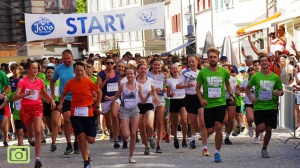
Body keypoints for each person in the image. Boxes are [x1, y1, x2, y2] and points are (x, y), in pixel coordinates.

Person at [58, 61, 102, 168]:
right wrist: (60, 104)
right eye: (77, 70)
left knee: (90, 140)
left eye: (81, 70)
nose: (79, 72)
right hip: (75, 113)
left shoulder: (89, 82)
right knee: (81, 137)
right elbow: (64, 94)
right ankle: (86, 162)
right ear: (74, 71)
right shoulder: (70, 83)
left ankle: (86, 148)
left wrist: (97, 106)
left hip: (88, 112)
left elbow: (99, 92)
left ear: (84, 71)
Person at [196, 47, 235, 163]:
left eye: (214, 57)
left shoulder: (224, 71)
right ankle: (204, 141)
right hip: (208, 104)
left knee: (219, 126)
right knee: (210, 130)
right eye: (210, 57)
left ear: (218, 58)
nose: (212, 59)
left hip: (220, 103)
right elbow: (197, 88)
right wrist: (201, 100)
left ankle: (217, 153)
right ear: (207, 59)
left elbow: (228, 84)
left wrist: (231, 95)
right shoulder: (203, 72)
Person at [14, 61, 56, 168]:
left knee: (38, 130)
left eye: (37, 68)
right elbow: (15, 97)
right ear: (27, 70)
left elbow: (44, 92)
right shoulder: (22, 82)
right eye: (33, 68)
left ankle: (37, 159)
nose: (36, 70)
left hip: (37, 107)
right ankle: (29, 138)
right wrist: (26, 93)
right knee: (30, 133)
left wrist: (51, 99)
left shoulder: (40, 81)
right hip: (26, 109)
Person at [105, 67, 150, 163]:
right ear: (126, 75)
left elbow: (142, 101)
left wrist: (148, 96)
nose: (129, 75)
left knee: (133, 134)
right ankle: (124, 128)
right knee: (126, 135)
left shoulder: (138, 86)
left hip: (134, 110)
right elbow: (116, 97)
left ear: (134, 75)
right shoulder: (122, 86)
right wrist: (109, 98)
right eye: (127, 74)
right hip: (125, 110)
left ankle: (131, 156)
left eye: (131, 74)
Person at [245, 55, 283, 158]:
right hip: (259, 107)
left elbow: (281, 90)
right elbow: (247, 88)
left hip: (271, 106)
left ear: (269, 62)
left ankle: (264, 148)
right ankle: (257, 132)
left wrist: (279, 93)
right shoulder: (256, 76)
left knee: (269, 130)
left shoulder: (275, 77)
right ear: (260, 64)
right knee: (261, 128)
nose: (264, 62)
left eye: (266, 61)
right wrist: (250, 98)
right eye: (262, 61)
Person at [50, 49, 79, 154]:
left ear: (72, 58)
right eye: (64, 59)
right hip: (64, 97)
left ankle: (76, 143)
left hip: (77, 97)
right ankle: (68, 144)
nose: (67, 61)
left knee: (76, 120)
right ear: (62, 59)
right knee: (66, 118)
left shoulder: (77, 67)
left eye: (69, 58)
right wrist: (53, 94)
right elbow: (52, 81)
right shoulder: (58, 69)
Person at [176, 55, 201, 149]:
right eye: (189, 62)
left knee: (201, 120)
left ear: (197, 62)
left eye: (193, 61)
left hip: (200, 96)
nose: (191, 63)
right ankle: (193, 139)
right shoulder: (184, 72)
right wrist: (187, 85)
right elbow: (177, 86)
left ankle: (203, 139)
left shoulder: (201, 72)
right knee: (194, 121)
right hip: (189, 97)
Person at [97, 56, 121, 148]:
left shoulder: (117, 73)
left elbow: (121, 84)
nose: (110, 65)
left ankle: (116, 138)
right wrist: (106, 80)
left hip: (115, 98)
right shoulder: (101, 74)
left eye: (112, 63)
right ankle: (111, 132)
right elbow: (98, 88)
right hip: (105, 99)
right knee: (107, 119)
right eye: (108, 63)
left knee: (114, 115)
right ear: (105, 64)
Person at [136, 64, 158, 155]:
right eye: (141, 69)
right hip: (138, 105)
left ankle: (150, 138)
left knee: (149, 124)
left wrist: (155, 97)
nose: (143, 70)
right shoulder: (134, 81)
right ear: (137, 70)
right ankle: (146, 146)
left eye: (145, 69)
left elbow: (153, 90)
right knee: (141, 128)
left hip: (149, 103)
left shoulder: (150, 80)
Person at [146, 58, 166, 153]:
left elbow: (165, 86)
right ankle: (149, 138)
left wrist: (165, 90)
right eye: (155, 65)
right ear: (151, 65)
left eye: (159, 65)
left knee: (160, 121)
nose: (157, 66)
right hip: (150, 100)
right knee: (150, 123)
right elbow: (144, 87)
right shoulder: (147, 75)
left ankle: (159, 144)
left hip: (160, 100)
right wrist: (153, 91)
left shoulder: (163, 76)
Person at [166, 64, 188, 149]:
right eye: (173, 69)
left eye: (176, 68)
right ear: (170, 70)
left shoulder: (183, 79)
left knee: (184, 120)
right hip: (174, 100)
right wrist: (170, 94)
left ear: (178, 69)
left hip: (183, 99)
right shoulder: (169, 80)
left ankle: (184, 139)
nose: (175, 70)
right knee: (174, 123)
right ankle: (175, 138)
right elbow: (168, 93)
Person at [0, 69, 11, 147]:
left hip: (1, 101)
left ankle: (5, 139)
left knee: (3, 124)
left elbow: (8, 87)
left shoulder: (1, 73)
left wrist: (3, 94)